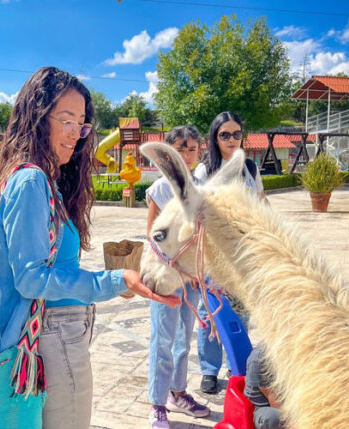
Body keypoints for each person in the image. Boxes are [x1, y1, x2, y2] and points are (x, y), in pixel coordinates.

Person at [0, 66, 180, 429]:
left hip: (53, 334)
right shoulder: (31, 181)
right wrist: (113, 280)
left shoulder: (44, 181)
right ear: (38, 118)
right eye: (67, 120)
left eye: (82, 124)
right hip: (52, 336)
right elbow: (31, 278)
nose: (77, 134)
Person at [194, 111, 267, 394]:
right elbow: (197, 215)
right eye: (225, 134)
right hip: (215, 253)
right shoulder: (205, 171)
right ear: (215, 137)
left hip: (246, 252)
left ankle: (236, 364)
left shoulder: (249, 167)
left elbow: (261, 202)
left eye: (237, 134)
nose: (232, 139)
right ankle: (209, 370)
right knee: (211, 311)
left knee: (241, 312)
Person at [146, 126, 211, 429]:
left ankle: (178, 393)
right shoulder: (160, 188)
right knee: (163, 339)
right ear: (169, 152)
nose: (185, 155)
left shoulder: (203, 185)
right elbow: (152, 235)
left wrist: (198, 269)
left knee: (184, 339)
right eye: (180, 149)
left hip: (193, 277)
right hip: (167, 274)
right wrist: (171, 267)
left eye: (191, 149)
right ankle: (157, 404)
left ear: (200, 150)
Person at [244, 344, 283, 429]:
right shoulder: (262, 358)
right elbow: (275, 402)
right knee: (275, 417)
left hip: (287, 400)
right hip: (264, 407)